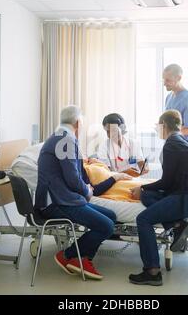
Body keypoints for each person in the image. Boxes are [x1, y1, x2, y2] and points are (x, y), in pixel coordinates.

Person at [33, 105, 130, 280]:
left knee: (111, 216)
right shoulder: (66, 140)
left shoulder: (58, 138)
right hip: (56, 202)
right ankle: (67, 255)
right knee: (106, 226)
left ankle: (82, 259)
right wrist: (88, 191)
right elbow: (73, 179)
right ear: (78, 122)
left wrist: (85, 189)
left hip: (61, 198)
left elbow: (71, 175)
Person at [129, 110, 188, 286]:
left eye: (158, 126)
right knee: (148, 195)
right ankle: (177, 225)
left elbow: (166, 182)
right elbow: (172, 181)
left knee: (143, 219)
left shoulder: (170, 144)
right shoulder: (182, 140)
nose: (157, 130)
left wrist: (142, 186)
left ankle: (152, 272)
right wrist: (145, 190)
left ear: (164, 126)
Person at [163, 63, 188, 251]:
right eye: (163, 79)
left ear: (179, 77)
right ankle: (177, 232)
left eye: (168, 80)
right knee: (172, 191)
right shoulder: (169, 98)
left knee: (183, 193)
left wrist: (170, 131)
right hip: (171, 150)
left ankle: (186, 237)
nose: (165, 83)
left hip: (185, 154)